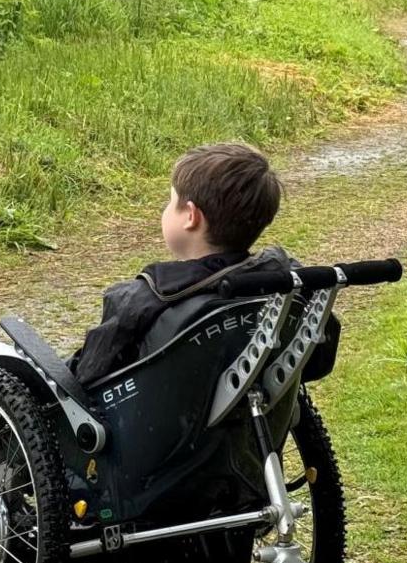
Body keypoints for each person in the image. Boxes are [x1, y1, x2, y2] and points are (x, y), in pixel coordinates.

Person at [70, 143, 302, 385]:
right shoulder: (281, 279)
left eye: (171, 202)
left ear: (191, 216)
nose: (166, 209)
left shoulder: (139, 300)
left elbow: (87, 375)